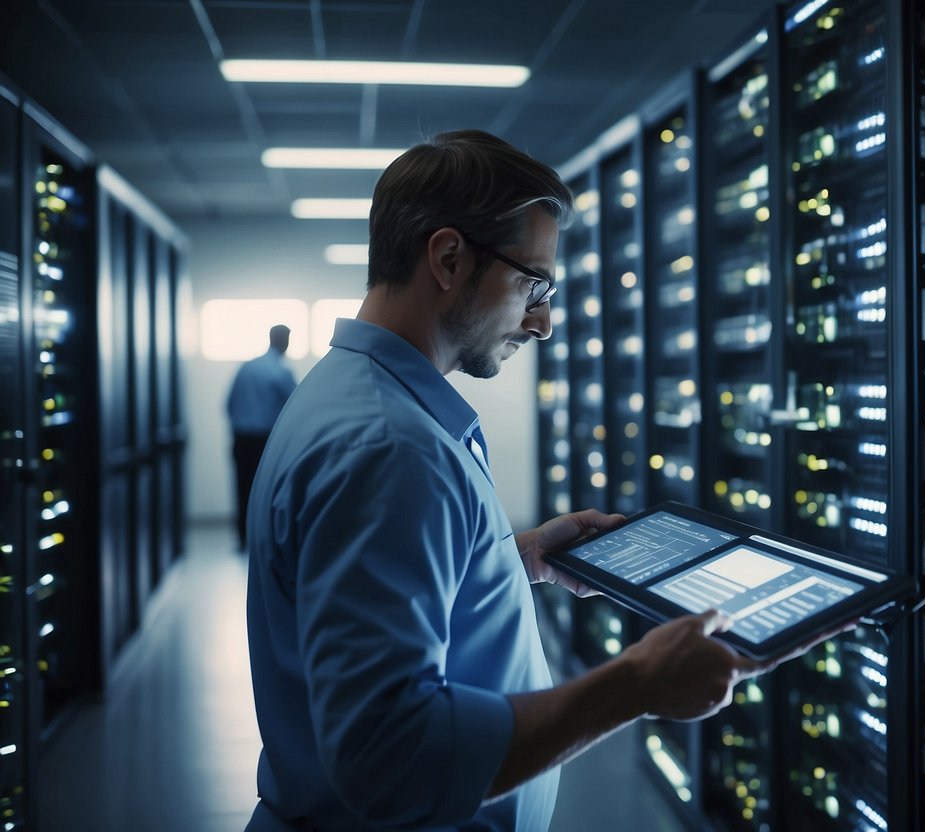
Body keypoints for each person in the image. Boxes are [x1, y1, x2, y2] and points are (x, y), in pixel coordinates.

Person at [244, 130, 844, 832]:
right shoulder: (387, 448)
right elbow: (390, 762)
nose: (544, 322)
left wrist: (506, 560)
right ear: (447, 258)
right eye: (533, 283)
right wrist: (635, 684)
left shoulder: (351, 394)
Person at [226, 324, 296, 550]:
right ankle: (262, 536)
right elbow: (295, 407)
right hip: (265, 441)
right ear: (284, 341)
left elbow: (228, 405)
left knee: (242, 486)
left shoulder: (247, 367)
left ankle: (242, 539)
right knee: (267, 490)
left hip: (240, 437)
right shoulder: (281, 371)